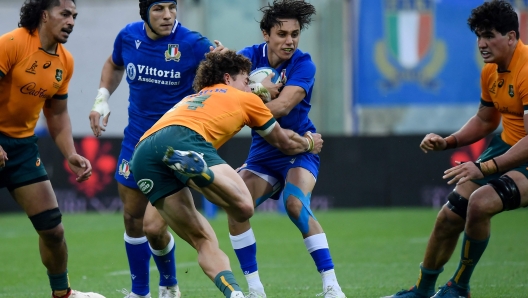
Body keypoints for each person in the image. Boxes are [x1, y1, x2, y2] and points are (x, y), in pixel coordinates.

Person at [129, 50, 322, 298]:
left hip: (144, 151)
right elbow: (283, 142)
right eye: (246, 80)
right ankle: (203, 173)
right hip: (185, 139)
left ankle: (234, 294)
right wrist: (308, 143)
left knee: (193, 238)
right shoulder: (246, 99)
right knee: (243, 207)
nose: (251, 85)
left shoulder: (194, 97)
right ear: (228, 79)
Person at [384, 1, 528, 298]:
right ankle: (422, 291)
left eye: (489, 35)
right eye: (478, 36)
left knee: (480, 203)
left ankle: (459, 287)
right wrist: (448, 142)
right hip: (507, 148)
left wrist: (486, 166)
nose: (482, 44)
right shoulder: (491, 71)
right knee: (449, 217)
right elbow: (486, 119)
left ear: (512, 36)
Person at [88, 1, 225, 297]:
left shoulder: (193, 43)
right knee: (132, 219)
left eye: (172, 8)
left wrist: (225, 62)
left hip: (172, 146)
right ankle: (142, 292)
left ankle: (169, 282)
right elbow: (114, 63)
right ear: (144, 13)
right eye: (158, 9)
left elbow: (225, 75)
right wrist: (101, 97)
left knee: (153, 226)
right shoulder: (128, 36)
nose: (167, 15)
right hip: (134, 142)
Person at [223, 1, 347, 298]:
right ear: (266, 34)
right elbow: (223, 93)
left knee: (294, 204)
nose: (289, 41)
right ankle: (255, 289)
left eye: (294, 34)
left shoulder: (304, 64)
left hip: (300, 147)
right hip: (263, 153)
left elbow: (281, 106)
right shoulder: (247, 59)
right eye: (282, 34)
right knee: (235, 205)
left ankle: (332, 286)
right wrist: (258, 89)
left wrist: (252, 94)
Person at [0, 1, 105, 298]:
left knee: (53, 230)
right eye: (64, 14)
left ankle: (63, 294)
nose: (71, 21)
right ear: (44, 15)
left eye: (74, 16)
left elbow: (56, 115)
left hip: (22, 148)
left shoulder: (65, 61)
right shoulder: (11, 43)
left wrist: (70, 152)